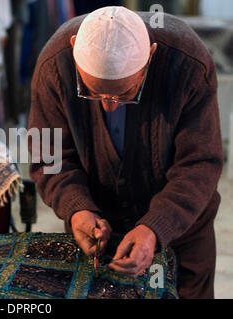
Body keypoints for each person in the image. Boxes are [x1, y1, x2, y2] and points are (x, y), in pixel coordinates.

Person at [28, 6, 223, 299]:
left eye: (124, 95)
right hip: (96, 226)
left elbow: (198, 164)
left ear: (151, 56)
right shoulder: (54, 64)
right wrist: (77, 208)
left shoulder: (188, 62)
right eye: (93, 93)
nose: (109, 107)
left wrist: (155, 227)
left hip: (182, 226)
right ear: (73, 50)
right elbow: (48, 156)